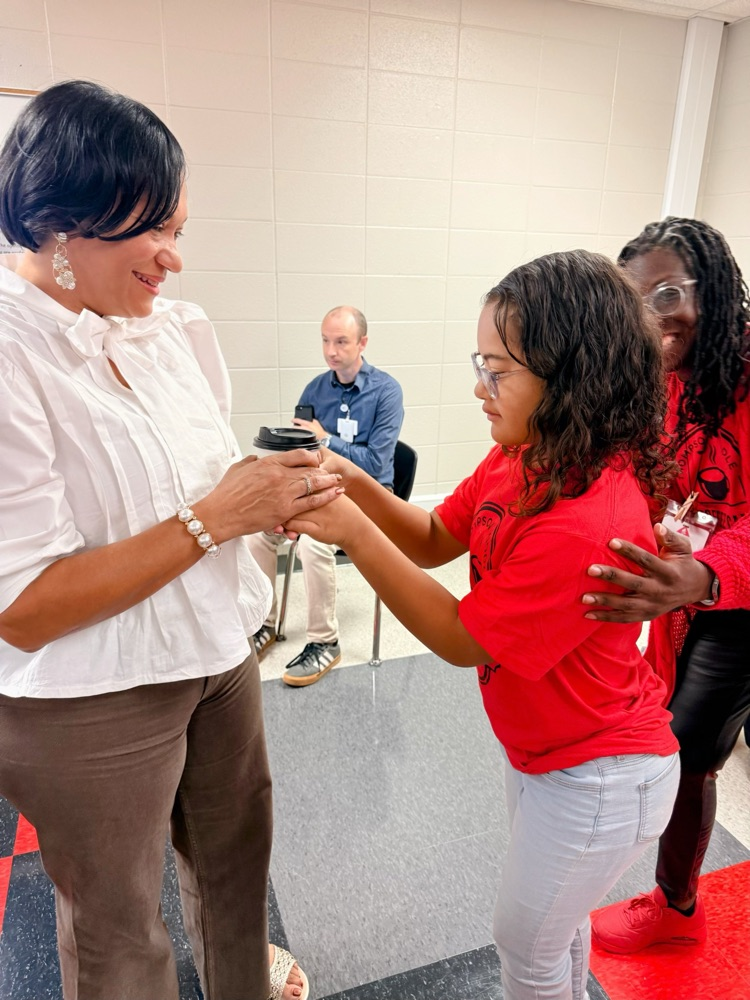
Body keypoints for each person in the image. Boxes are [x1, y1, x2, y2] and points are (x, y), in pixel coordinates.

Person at [0, 80, 342, 1000]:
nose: (174, 260)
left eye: (179, 229)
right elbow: (24, 610)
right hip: (90, 693)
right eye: (151, 231)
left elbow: (204, 475)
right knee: (118, 928)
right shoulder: (10, 355)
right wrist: (212, 520)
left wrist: (263, 494)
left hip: (215, 652)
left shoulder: (172, 329)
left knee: (236, 864)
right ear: (53, 225)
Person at [283, 250, 681, 1000]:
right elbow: (435, 536)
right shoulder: (522, 457)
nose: (479, 387)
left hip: (600, 771)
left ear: (567, 379)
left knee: (525, 949)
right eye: (482, 363)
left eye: (498, 371)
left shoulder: (585, 514)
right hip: (545, 748)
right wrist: (349, 478)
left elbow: (462, 638)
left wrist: (350, 529)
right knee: (554, 934)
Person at [582, 218, 750, 953]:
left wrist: (706, 569)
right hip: (699, 599)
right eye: (637, 298)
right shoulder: (665, 381)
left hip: (729, 594)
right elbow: (656, 473)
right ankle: (679, 905)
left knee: (684, 750)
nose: (655, 314)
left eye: (670, 293)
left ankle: (676, 905)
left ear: (712, 293)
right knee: (689, 751)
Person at [248, 305, 403, 687]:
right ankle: (263, 624)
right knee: (257, 532)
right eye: (325, 340)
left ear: (362, 342)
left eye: (341, 341)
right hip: (318, 488)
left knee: (314, 543)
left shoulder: (386, 391)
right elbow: (302, 457)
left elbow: (376, 462)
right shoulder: (315, 389)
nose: (331, 351)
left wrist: (325, 439)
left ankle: (325, 642)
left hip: (370, 494)